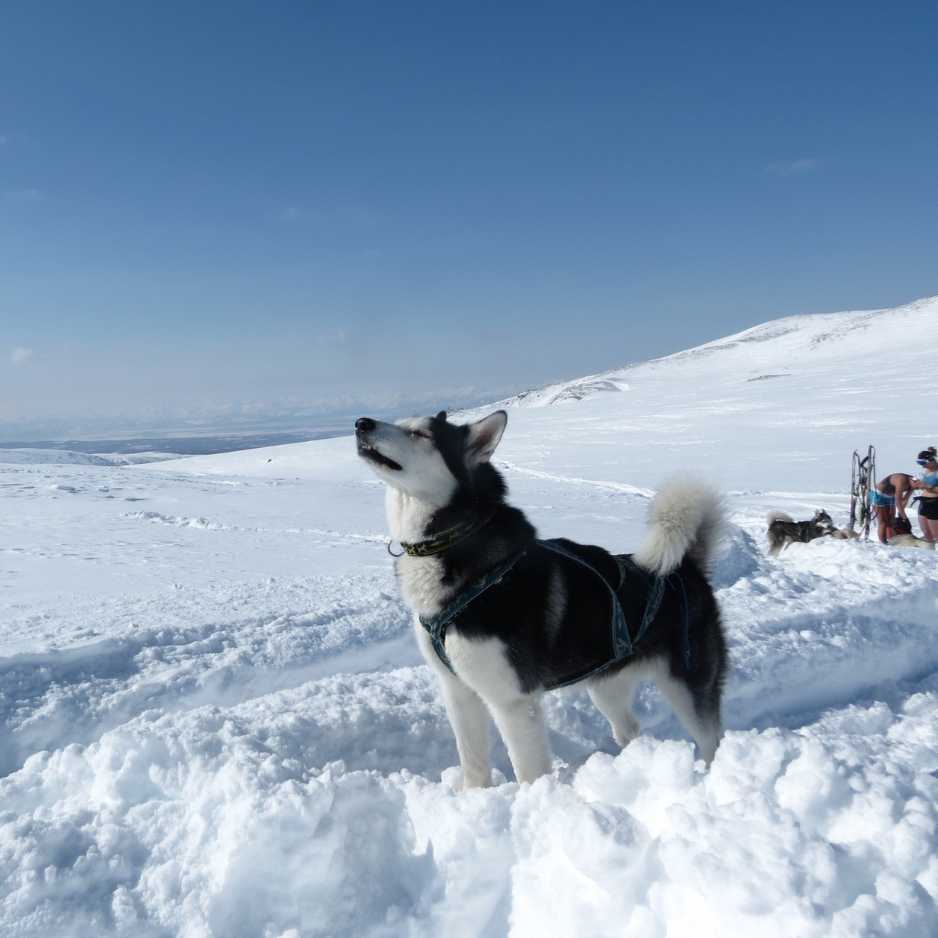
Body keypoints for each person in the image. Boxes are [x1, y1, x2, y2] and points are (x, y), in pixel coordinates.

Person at [870, 471, 915, 544]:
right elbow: (898, 502)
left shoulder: (913, 485)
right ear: (914, 481)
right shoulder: (901, 480)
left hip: (891, 496)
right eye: (916, 487)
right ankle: (882, 542)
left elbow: (904, 500)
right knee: (883, 522)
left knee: (892, 520)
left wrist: (901, 516)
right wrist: (905, 518)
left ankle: (891, 539)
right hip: (878, 494)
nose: (916, 488)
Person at [912, 447, 938, 542]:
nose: (922, 466)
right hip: (923, 503)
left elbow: (929, 486)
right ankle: (929, 554)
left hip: (934, 504)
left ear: (931, 460)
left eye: (923, 463)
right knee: (926, 533)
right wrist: (918, 484)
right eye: (920, 463)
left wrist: (927, 486)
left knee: (936, 536)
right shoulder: (926, 470)